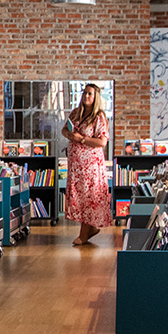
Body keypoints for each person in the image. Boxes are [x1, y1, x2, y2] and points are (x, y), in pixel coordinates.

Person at [61, 83, 112, 246]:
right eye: (85, 93)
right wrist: (69, 135)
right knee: (80, 197)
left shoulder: (99, 116)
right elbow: (64, 129)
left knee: (88, 197)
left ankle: (83, 235)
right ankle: (91, 229)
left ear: (96, 97)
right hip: (76, 166)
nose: (86, 96)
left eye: (90, 94)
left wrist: (81, 139)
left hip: (91, 166)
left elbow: (102, 141)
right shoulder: (76, 112)